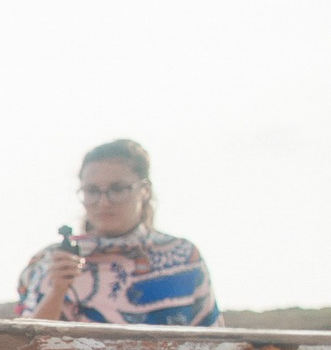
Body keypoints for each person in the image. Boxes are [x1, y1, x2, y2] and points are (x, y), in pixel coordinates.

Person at [16, 140, 219, 326]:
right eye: (92, 191)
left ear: (145, 191)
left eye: (118, 189)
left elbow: (214, 347)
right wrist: (57, 290)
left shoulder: (183, 257)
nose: (104, 202)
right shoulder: (49, 262)